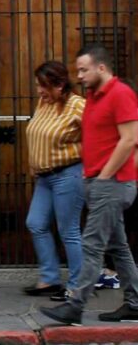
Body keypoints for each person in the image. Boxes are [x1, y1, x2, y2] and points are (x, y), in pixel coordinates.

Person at [41, 44, 138, 325]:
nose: (79, 75)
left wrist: (105, 175)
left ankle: (75, 305)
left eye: (84, 69)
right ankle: (134, 302)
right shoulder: (94, 97)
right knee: (118, 247)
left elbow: (130, 138)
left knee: (92, 245)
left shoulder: (120, 94)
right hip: (98, 181)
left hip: (113, 183)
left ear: (101, 68)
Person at [23, 61, 85, 302]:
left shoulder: (78, 105)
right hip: (45, 177)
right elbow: (37, 133)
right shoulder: (44, 103)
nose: (39, 90)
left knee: (68, 231)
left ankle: (77, 286)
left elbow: (98, 136)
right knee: (36, 223)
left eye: (44, 86)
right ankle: (49, 278)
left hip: (68, 174)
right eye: (38, 85)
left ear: (59, 85)